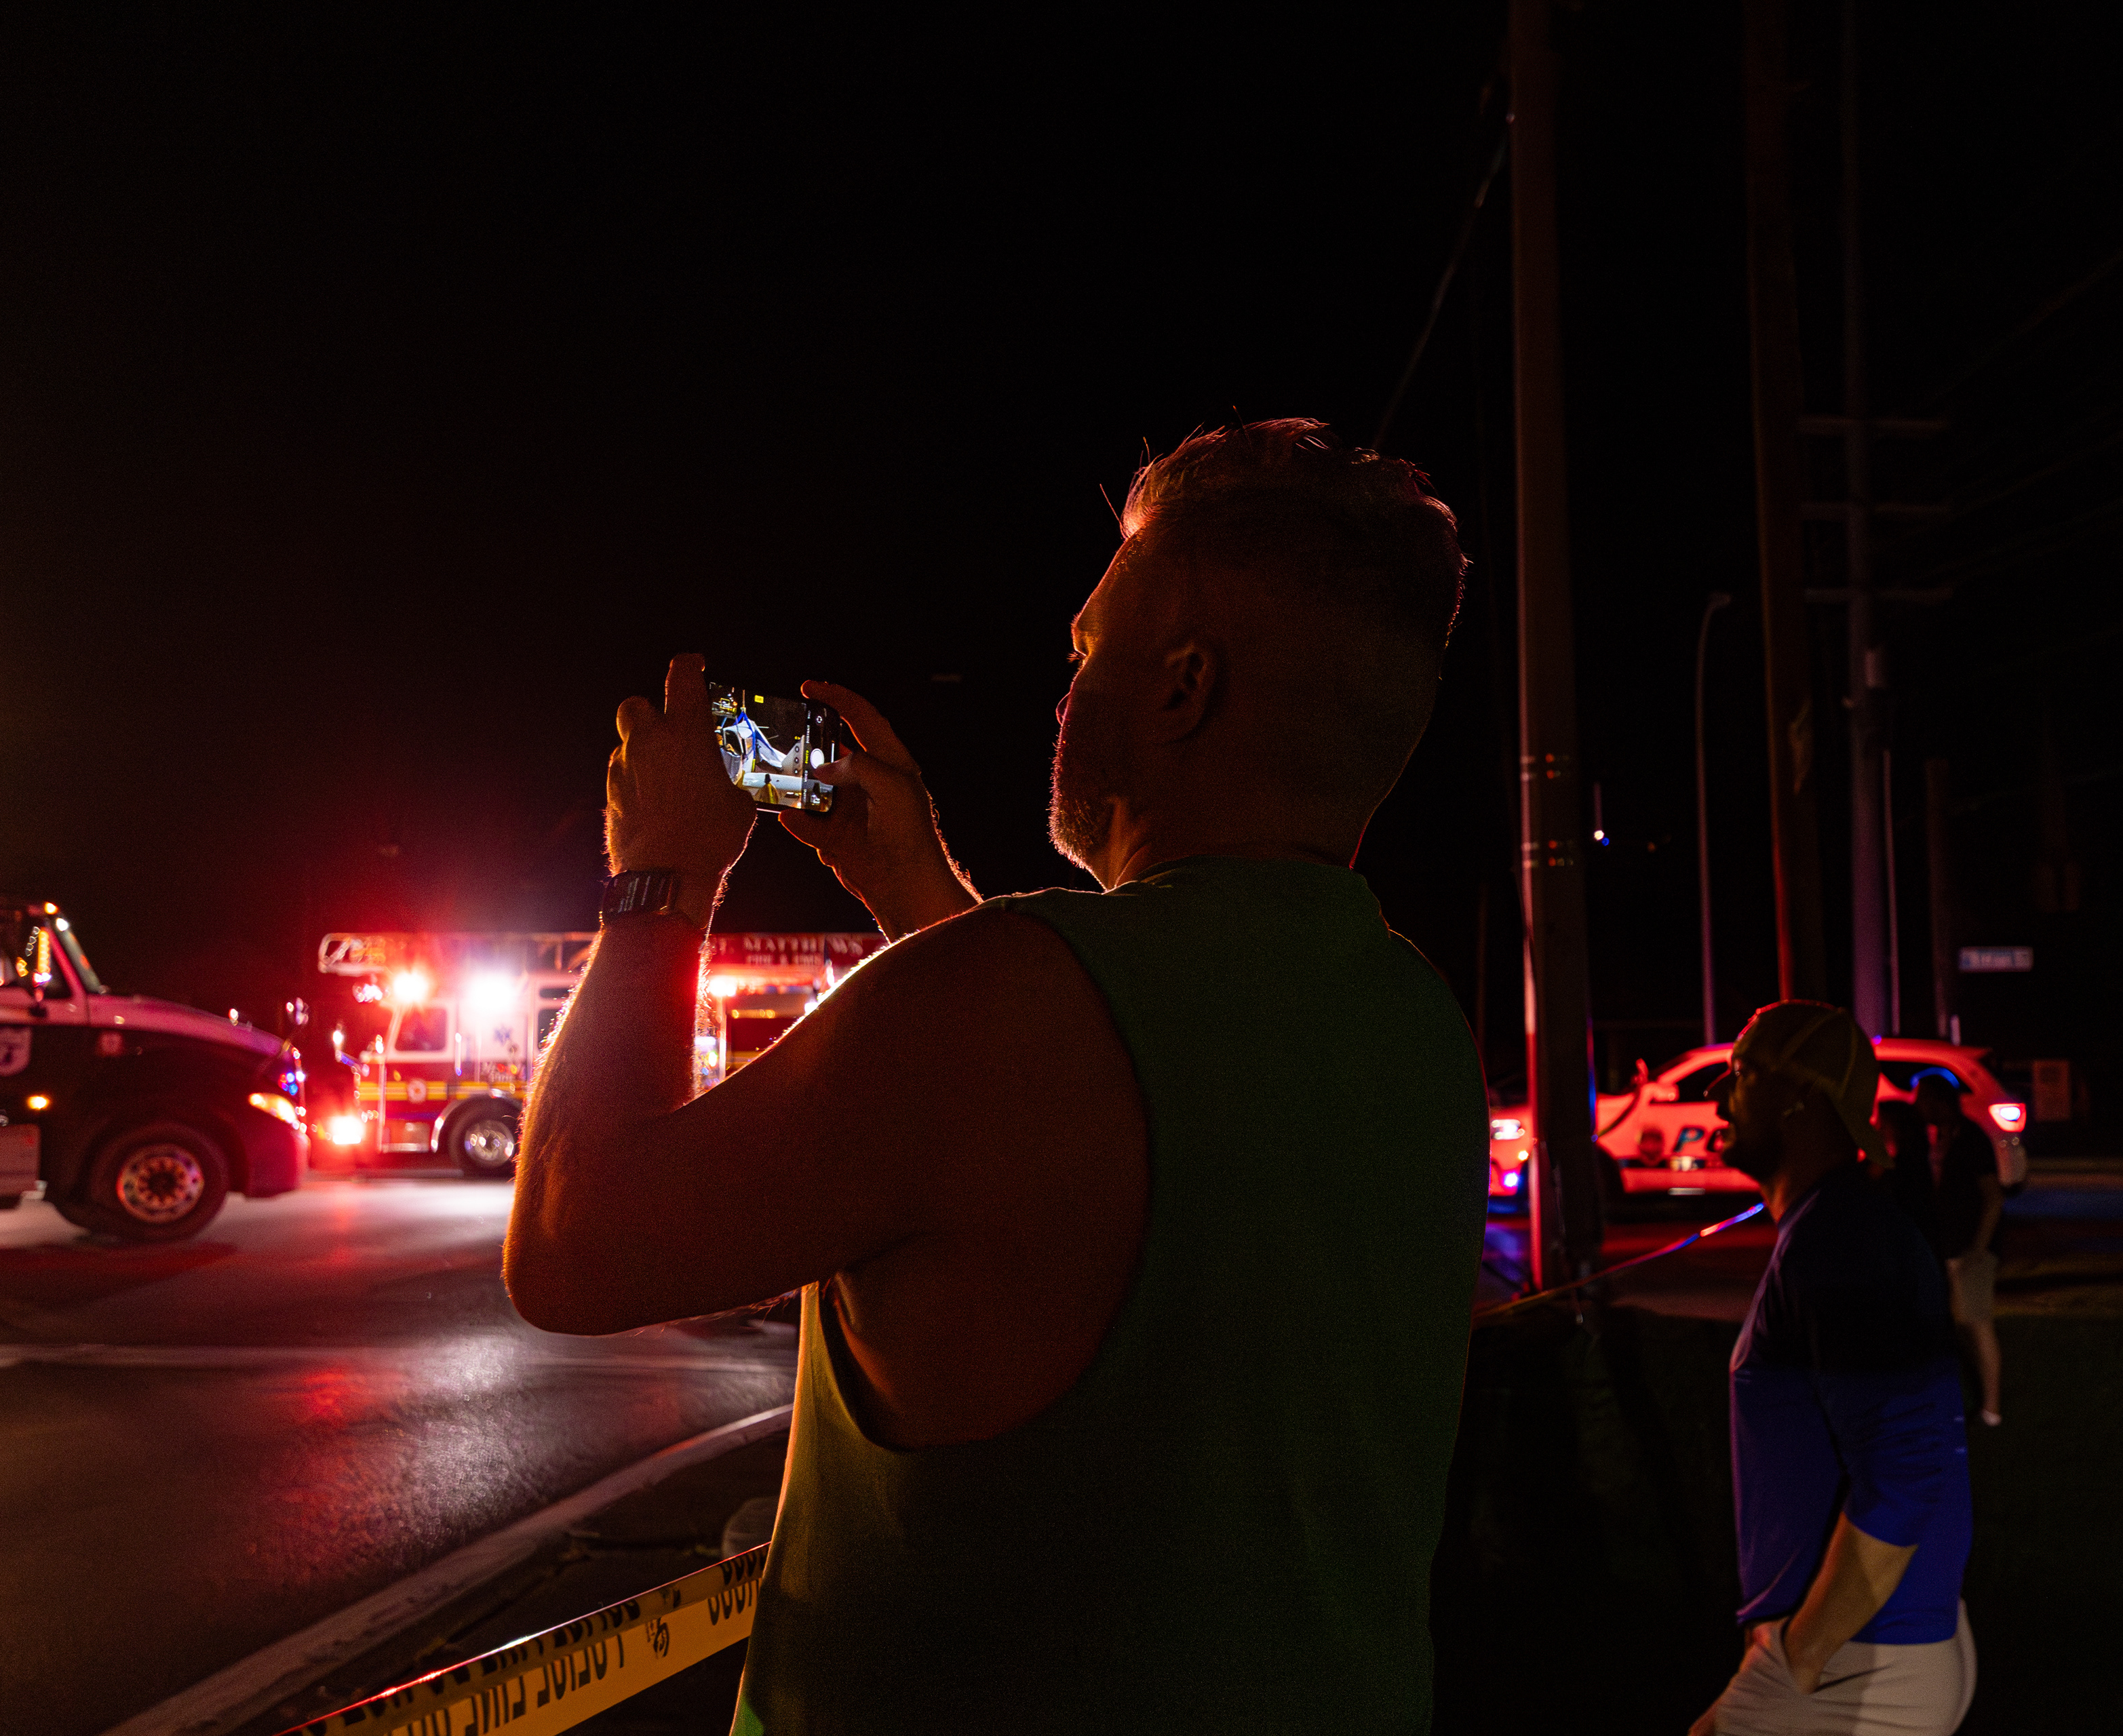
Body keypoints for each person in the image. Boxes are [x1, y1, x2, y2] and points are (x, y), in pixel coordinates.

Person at [505, 419, 1492, 1735]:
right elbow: (1068, 1151)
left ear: (1183, 688)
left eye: (1088, 647)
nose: (1065, 688)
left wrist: (659, 882)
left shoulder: (1001, 999)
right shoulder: (1413, 1018)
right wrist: (912, 887)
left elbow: (573, 1239)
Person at [1689, 1003, 1976, 1736]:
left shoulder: (1839, 1240)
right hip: (1879, 1645)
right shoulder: (1839, 1228)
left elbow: (1909, 1463)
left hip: (1861, 1659)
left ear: (1801, 1096)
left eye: (1743, 1073)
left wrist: (1800, 1656)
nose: (1718, 1095)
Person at [1920, 1077, 2003, 1429]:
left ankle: (1991, 1410)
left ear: (1940, 1102)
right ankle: (1974, 1400)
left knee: (1978, 1325)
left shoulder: (1971, 1140)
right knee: (1963, 1325)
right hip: (1952, 1246)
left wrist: (1978, 1251)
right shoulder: (1945, 1137)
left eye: (1922, 1100)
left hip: (1971, 1250)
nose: (1917, 1107)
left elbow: (1994, 1197)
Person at [1872, 1096, 1939, 1253]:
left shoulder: (1901, 1173)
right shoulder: (1917, 1167)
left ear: (1898, 1129)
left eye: (1881, 1124)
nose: (1876, 1129)